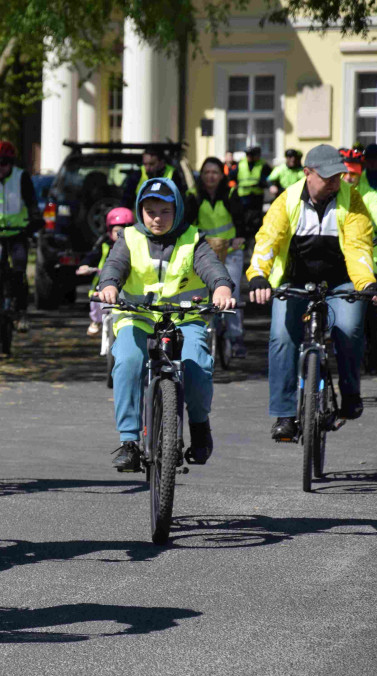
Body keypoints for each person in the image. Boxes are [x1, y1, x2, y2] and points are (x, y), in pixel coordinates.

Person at [246, 144, 377, 441]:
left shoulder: (352, 199)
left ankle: (350, 393)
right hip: (295, 281)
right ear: (307, 174)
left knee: (349, 329)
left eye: (338, 176)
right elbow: (268, 241)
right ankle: (284, 415)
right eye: (328, 177)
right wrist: (258, 275)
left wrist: (367, 284)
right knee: (281, 337)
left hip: (342, 281)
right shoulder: (287, 201)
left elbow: (359, 247)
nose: (335, 182)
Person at [97, 177, 236, 471]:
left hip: (184, 318)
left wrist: (222, 287)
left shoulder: (192, 238)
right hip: (137, 316)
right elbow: (114, 265)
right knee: (127, 361)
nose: (157, 219)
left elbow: (211, 267)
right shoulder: (129, 238)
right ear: (140, 211)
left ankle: (199, 427)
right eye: (150, 212)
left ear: (177, 210)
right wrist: (108, 285)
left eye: (165, 211)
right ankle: (129, 442)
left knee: (197, 364)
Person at [0, 140, 42, 332]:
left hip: (17, 232)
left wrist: (35, 220)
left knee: (20, 270)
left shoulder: (21, 177)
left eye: (4, 162)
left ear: (11, 163)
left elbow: (31, 203)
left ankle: (21, 312)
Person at [340, 147, 377, 375]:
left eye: (354, 173)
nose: (348, 178)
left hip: (365, 262)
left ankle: (372, 354)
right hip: (334, 259)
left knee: (370, 314)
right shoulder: (332, 192)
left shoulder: (369, 194)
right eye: (345, 173)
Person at [185, 157, 249, 357]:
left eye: (215, 172)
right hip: (204, 253)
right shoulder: (193, 195)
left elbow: (241, 221)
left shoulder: (230, 193)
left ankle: (236, 338)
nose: (210, 176)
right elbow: (186, 223)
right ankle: (201, 335)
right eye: (206, 172)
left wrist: (240, 237)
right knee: (201, 295)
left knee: (231, 295)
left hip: (230, 251)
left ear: (222, 175)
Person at [77, 207, 134, 336]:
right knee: (97, 299)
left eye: (125, 231)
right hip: (104, 282)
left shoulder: (136, 244)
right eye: (117, 231)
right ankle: (96, 320)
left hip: (128, 284)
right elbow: (92, 255)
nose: (120, 235)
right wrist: (85, 265)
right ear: (109, 230)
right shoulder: (104, 243)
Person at [122, 146, 187, 208]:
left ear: (162, 163)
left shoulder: (173, 175)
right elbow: (127, 200)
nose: (147, 168)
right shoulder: (137, 175)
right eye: (145, 164)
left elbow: (180, 200)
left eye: (151, 164)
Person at [230, 145, 271, 234]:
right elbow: (231, 175)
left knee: (256, 220)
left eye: (251, 155)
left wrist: (264, 183)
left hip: (256, 195)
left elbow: (270, 177)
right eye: (247, 154)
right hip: (243, 195)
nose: (248, 156)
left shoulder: (262, 164)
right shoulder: (241, 163)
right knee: (244, 218)